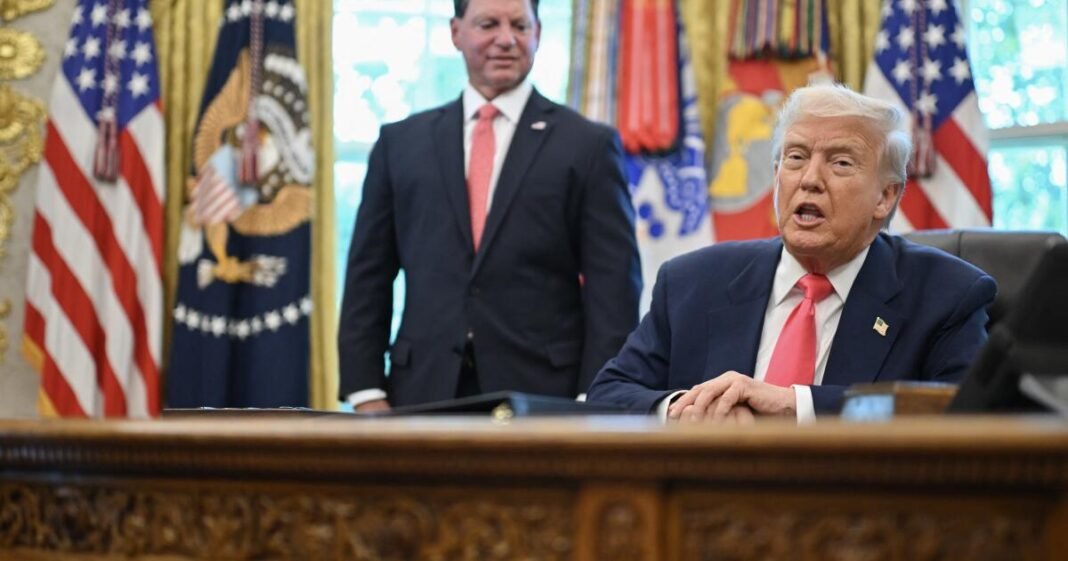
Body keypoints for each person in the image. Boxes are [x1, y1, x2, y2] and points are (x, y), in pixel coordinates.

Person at [587, 84, 997, 423]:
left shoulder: (947, 295)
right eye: (796, 157)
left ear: (885, 197)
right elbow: (608, 394)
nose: (810, 179)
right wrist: (685, 409)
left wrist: (798, 406)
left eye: (840, 163)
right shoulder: (692, 282)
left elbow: (961, 412)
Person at [338, 0, 641, 411]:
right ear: (455, 32)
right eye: (488, 24)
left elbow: (614, 286)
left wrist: (595, 397)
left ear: (537, 33)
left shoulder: (587, 145)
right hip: (420, 391)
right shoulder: (400, 144)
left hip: (545, 396)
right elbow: (367, 277)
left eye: (519, 25)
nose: (506, 39)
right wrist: (366, 391)